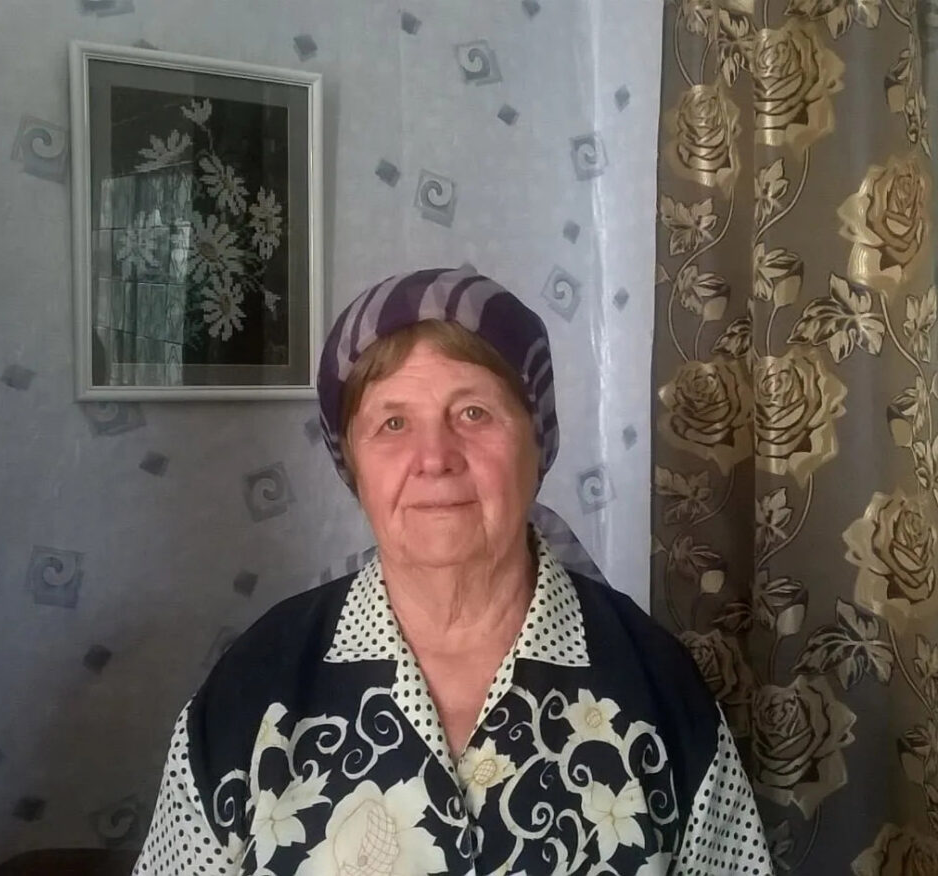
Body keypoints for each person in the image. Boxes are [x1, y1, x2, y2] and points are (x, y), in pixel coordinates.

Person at [132, 267, 772, 875]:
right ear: (353, 465)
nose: (435, 457)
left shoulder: (657, 683)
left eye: (473, 413)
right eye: (393, 423)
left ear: (536, 440)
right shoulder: (255, 685)